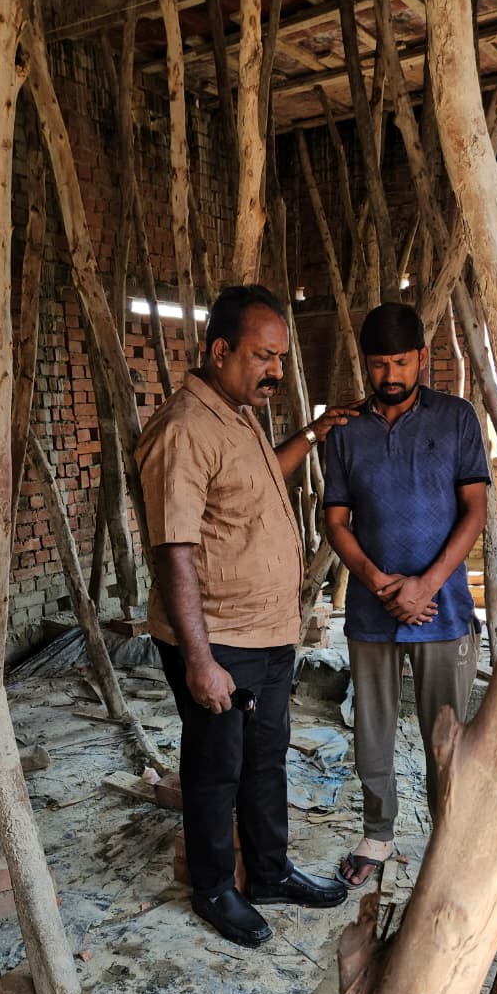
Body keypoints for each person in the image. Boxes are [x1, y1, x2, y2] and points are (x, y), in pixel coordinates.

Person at [136, 284, 356, 946]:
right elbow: (172, 550)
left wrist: (311, 434)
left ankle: (268, 871)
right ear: (219, 349)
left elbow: (258, 483)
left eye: (280, 358)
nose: (276, 371)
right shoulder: (182, 429)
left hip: (264, 636)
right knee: (215, 771)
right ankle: (212, 888)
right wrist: (200, 661)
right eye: (264, 356)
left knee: (265, 760)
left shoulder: (235, 415)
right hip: (219, 640)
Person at [324, 302, 490, 888]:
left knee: (445, 732)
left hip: (442, 609)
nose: (389, 375)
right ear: (364, 364)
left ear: (423, 357)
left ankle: (450, 839)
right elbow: (336, 520)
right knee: (372, 728)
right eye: (377, 364)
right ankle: (378, 834)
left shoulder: (457, 418)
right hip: (372, 610)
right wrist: (374, 581)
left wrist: (427, 584)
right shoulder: (345, 431)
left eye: (400, 361)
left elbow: (475, 509)